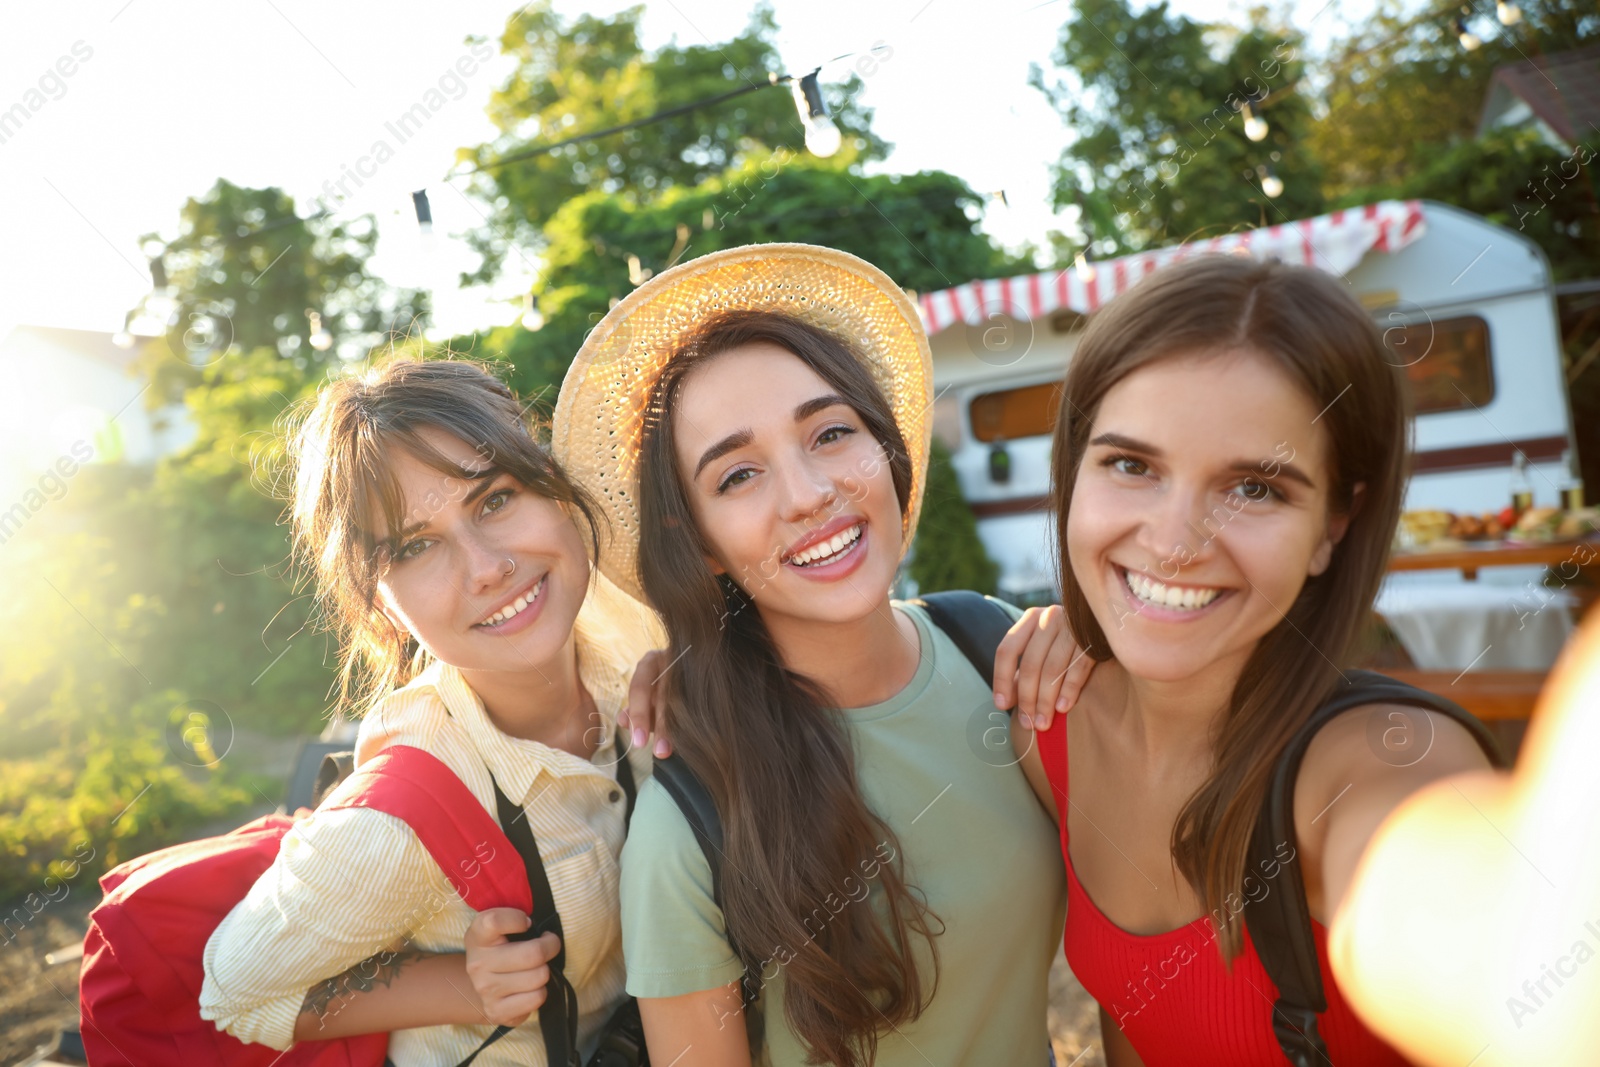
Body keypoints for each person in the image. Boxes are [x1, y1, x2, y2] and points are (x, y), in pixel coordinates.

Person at [547, 244, 1086, 1067]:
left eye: (831, 432)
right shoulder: (691, 825)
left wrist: (1103, 641)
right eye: (737, 477)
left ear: (886, 446)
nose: (807, 494)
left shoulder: (998, 655)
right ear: (704, 546)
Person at [1009, 253, 1496, 1065]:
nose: (1172, 541)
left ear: (1337, 522)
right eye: (1132, 464)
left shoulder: (1372, 760)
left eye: (1256, 488)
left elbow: (1465, 919)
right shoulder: (1044, 725)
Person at [198, 357, 664, 1064]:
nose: (485, 566)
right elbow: (231, 988)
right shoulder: (392, 823)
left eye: (497, 499)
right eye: (417, 545)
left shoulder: (638, 632)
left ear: (556, 486)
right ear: (383, 602)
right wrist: (461, 985)